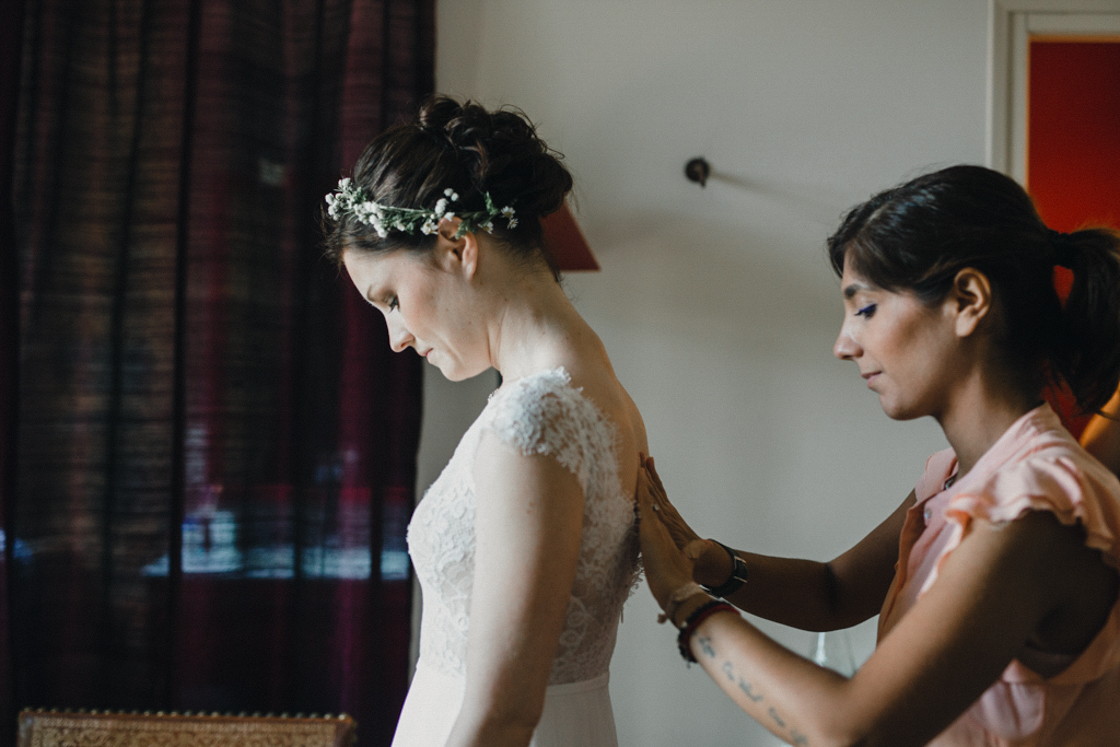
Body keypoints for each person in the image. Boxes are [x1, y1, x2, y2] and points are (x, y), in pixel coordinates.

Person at [636, 165, 1120, 746]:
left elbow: (852, 731)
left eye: (864, 308)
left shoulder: (1032, 508)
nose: (843, 345)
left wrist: (683, 601)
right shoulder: (957, 476)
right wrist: (706, 560)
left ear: (968, 300)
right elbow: (834, 592)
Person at [322, 96, 645, 747]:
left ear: (456, 245)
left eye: (392, 298)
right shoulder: (596, 392)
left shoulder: (535, 419)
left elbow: (503, 715)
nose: (396, 338)